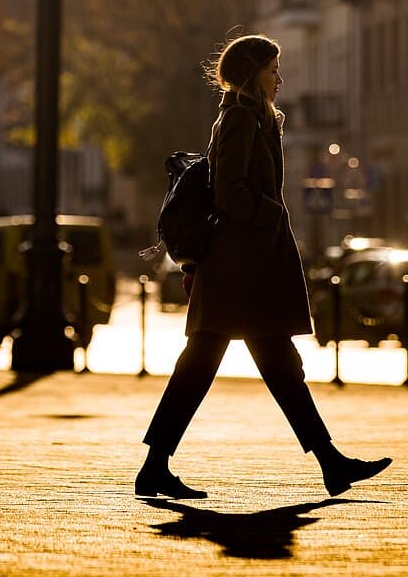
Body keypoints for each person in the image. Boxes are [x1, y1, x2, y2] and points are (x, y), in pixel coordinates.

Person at [136, 34, 392, 500]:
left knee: (270, 367)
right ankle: (155, 466)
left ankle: (331, 462)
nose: (280, 78)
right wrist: (270, 212)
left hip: (246, 270)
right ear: (253, 71)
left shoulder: (256, 119)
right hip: (238, 271)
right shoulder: (238, 119)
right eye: (273, 69)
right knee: (206, 368)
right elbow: (230, 193)